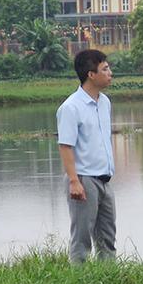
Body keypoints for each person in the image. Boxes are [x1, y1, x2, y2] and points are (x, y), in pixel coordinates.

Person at [56, 49, 116, 263]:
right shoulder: (71, 107)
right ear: (91, 74)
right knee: (82, 238)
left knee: (107, 237)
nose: (110, 73)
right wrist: (74, 182)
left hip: (104, 179)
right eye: (105, 69)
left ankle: (108, 280)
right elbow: (65, 146)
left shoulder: (105, 102)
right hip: (83, 179)